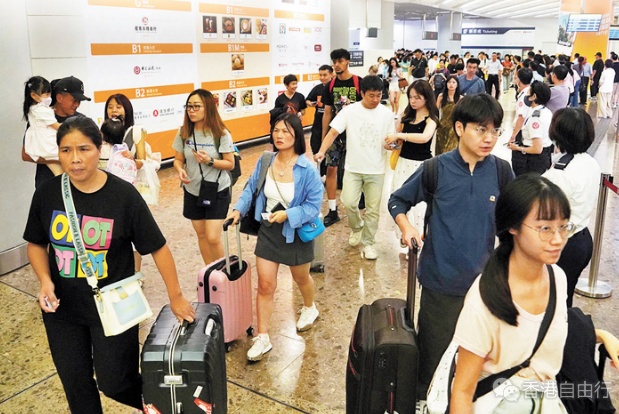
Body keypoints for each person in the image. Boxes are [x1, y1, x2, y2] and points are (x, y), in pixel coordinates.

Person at [23, 116, 195, 413]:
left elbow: (158, 248)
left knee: (116, 382)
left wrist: (175, 295)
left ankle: (167, 408)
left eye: (83, 149)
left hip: (114, 307)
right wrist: (45, 281)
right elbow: (36, 243)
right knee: (76, 385)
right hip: (62, 310)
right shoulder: (48, 193)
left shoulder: (123, 196)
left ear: (99, 149)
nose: (75, 159)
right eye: (66, 150)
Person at [388, 93, 514, 399]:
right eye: (481, 130)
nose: (489, 138)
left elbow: (516, 220)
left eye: (495, 131)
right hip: (440, 284)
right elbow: (398, 201)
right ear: (459, 128)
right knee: (433, 358)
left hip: (484, 287)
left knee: (478, 360)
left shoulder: (501, 172)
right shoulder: (436, 169)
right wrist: (407, 227)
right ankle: (425, 401)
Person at [450, 174, 571, 411]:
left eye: (563, 226)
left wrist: (601, 336)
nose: (557, 239)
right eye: (545, 228)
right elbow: (462, 391)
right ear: (513, 227)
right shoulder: (485, 300)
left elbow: (540, 331)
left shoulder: (557, 278)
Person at [227, 113, 323, 362]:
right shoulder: (266, 160)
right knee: (265, 285)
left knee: (301, 278)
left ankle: (309, 307)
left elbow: (313, 207)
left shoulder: (307, 169)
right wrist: (238, 210)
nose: (279, 136)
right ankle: (263, 337)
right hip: (269, 231)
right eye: (276, 130)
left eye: (285, 132)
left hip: (296, 233)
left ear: (297, 136)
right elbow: (251, 188)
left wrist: (288, 215)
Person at [315, 76, 395, 260]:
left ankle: (368, 243)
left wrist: (391, 145)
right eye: (371, 96)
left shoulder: (386, 114)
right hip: (353, 168)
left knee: (373, 209)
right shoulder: (350, 111)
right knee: (349, 202)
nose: (375, 99)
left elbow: (390, 139)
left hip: (376, 169)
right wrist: (321, 151)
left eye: (379, 95)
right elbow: (333, 132)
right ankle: (357, 227)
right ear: (362, 93)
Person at [543, 108, 601, 307]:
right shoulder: (590, 162)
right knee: (565, 297)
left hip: (561, 245)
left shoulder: (560, 173)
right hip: (582, 239)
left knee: (551, 301)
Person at [172, 89, 235, 265]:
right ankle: (210, 271)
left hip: (217, 189)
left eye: (196, 106)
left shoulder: (221, 133)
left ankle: (224, 272)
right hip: (192, 189)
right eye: (189, 107)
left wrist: (210, 161)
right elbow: (178, 159)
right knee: (201, 234)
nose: (191, 110)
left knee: (213, 237)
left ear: (208, 107)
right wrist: (180, 170)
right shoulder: (183, 132)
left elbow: (230, 164)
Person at [385, 81, 438, 247]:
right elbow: (397, 137)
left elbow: (424, 137)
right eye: (411, 97)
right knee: (400, 198)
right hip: (403, 162)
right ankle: (405, 234)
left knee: (419, 207)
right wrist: (393, 143)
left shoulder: (431, 119)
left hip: (421, 165)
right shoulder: (406, 115)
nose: (413, 101)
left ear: (426, 98)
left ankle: (418, 241)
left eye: (417, 97)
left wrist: (400, 135)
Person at [23, 75, 91, 189]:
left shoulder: (82, 121)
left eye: (79, 101)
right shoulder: (39, 117)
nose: (77, 104)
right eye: (74, 100)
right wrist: (59, 159)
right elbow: (26, 154)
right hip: (46, 185)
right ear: (59, 98)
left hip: (76, 184)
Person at [321, 48, 362, 227]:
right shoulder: (330, 85)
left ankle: (360, 198)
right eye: (334, 62)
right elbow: (327, 112)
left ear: (347, 62)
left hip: (355, 134)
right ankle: (332, 210)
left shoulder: (359, 82)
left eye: (340, 61)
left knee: (357, 168)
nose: (337, 65)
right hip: (336, 133)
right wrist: (324, 138)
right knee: (331, 169)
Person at [508, 81, 553, 176]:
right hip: (545, 155)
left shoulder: (535, 119)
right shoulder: (546, 111)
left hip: (534, 160)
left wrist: (517, 148)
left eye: (528, 92)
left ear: (534, 96)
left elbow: (537, 148)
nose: (526, 94)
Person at [22, 76, 63, 177]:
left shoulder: (34, 109)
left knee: (59, 173)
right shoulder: (41, 110)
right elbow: (57, 126)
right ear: (33, 95)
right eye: (46, 94)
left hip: (41, 146)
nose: (49, 97)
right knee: (61, 173)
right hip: (47, 144)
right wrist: (71, 127)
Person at [306, 64, 334, 178]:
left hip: (332, 125)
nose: (322, 77)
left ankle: (330, 174)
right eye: (320, 75)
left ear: (331, 74)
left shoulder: (334, 87)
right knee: (316, 145)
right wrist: (310, 103)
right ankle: (320, 171)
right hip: (318, 123)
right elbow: (308, 100)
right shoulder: (317, 88)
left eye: (325, 75)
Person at [435, 75, 461, 155]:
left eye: (453, 82)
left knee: (450, 150)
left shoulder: (460, 98)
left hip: (453, 128)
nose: (451, 84)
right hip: (442, 126)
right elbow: (435, 111)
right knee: (440, 150)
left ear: (457, 85)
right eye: (449, 82)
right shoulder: (441, 96)